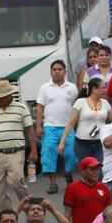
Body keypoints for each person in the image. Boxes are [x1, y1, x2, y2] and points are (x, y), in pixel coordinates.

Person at [0, 79, 37, 210]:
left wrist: (33, 150)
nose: (0, 99)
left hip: (16, 152)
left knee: (16, 181)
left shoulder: (21, 108)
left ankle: (30, 207)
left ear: (10, 95)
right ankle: (6, 216)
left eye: (3, 97)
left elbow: (30, 129)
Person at [35, 61, 79, 195]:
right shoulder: (44, 88)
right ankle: (53, 183)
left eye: (60, 69)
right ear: (51, 72)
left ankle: (68, 173)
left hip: (68, 127)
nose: (57, 71)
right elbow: (40, 108)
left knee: (71, 153)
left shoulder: (72, 87)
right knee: (48, 156)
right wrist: (38, 126)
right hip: (50, 127)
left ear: (65, 71)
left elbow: (77, 106)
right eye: (54, 69)